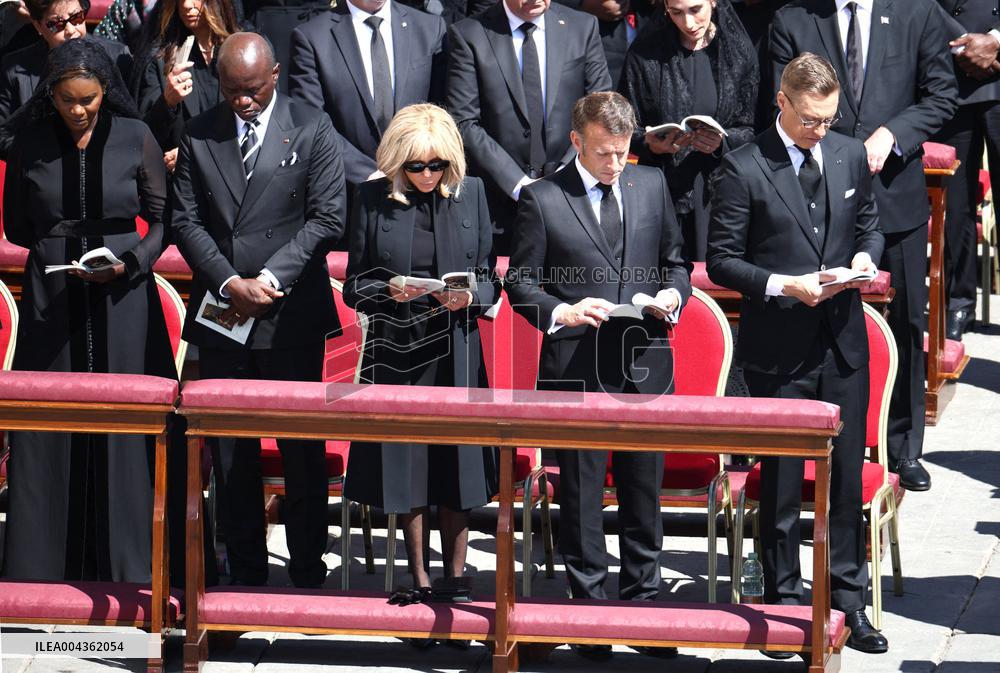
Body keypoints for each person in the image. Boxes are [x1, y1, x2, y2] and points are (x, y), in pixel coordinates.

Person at [707, 53, 884, 654]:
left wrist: (863, 258)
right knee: (780, 479)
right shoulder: (742, 166)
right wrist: (785, 286)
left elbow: (869, 224)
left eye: (829, 119)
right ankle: (783, 600)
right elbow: (723, 259)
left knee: (843, 478)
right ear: (781, 102)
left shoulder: (849, 152)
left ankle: (848, 599)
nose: (820, 129)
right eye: (810, 119)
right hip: (778, 345)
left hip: (841, 344)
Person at [505, 91, 691, 661]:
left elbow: (677, 263)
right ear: (576, 141)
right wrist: (562, 312)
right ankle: (588, 611)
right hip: (576, 366)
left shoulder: (651, 184)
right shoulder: (542, 198)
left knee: (643, 491)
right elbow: (521, 283)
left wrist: (670, 296)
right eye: (605, 153)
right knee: (582, 496)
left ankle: (643, 605)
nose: (616, 163)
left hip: (644, 361)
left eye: (623, 151)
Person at [171, 32, 345, 588]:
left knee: (300, 444)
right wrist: (228, 282)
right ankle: (243, 566)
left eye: (251, 90)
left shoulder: (312, 125)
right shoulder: (200, 133)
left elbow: (326, 218)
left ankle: (308, 564)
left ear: (274, 76)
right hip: (224, 310)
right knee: (231, 448)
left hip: (289, 309)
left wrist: (268, 278)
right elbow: (185, 220)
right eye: (230, 91)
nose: (242, 101)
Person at [0, 38, 173, 583]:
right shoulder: (28, 141)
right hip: (52, 299)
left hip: (125, 297)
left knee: (127, 424)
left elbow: (164, 220)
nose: (78, 110)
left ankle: (131, 568)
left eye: (89, 100)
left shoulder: (136, 136)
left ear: (105, 93)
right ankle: (43, 572)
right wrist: (56, 251)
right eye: (68, 100)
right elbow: (17, 226)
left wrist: (131, 263)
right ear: (50, 94)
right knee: (48, 425)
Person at [769, 0, 957, 493]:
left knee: (906, 322)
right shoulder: (795, 19)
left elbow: (941, 96)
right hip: (813, 204)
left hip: (895, 197)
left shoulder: (917, 13)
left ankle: (903, 448)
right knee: (815, 322)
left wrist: (893, 133)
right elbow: (780, 104)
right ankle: (820, 444)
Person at [342, 103, 498, 608]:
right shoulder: (371, 197)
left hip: (456, 346)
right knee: (404, 461)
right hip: (396, 348)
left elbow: (492, 279)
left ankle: (455, 576)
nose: (428, 175)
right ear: (397, 162)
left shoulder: (472, 195)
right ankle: (417, 577)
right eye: (416, 166)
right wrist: (391, 290)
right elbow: (353, 287)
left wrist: (471, 295)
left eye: (437, 165)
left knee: (457, 461)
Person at [446, 0, 612, 254]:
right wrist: (517, 184)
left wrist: (567, 174)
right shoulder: (469, 34)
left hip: (573, 197)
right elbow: (464, 122)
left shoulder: (582, 27)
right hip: (498, 207)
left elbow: (599, 108)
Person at [619, 0, 757, 261]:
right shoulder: (646, 53)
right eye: (677, 13)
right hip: (664, 189)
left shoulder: (737, 52)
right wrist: (649, 143)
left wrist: (721, 142)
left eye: (696, 10)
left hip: (720, 192)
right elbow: (626, 124)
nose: (688, 23)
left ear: (713, 3)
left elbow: (751, 128)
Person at [288, 0, 447, 202]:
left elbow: (442, 112)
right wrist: (369, 174)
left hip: (420, 189)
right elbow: (311, 123)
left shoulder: (430, 28)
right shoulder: (312, 37)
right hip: (352, 196)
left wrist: (417, 167)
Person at [934, 0, 1000, 340]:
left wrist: (996, 39)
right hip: (949, 74)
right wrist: (963, 41)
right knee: (954, 205)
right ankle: (958, 303)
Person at [0, 0, 133, 153]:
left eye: (76, 17)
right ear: (38, 26)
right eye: (56, 24)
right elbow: (3, 135)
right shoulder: (14, 68)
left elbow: (132, 123)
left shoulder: (117, 57)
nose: (71, 30)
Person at [134, 0, 240, 172]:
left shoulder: (243, 52)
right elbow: (145, 135)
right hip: (182, 182)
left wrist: (192, 153)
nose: (187, 5)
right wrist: (168, 102)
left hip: (234, 173)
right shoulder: (161, 59)